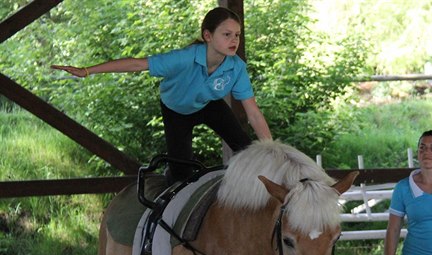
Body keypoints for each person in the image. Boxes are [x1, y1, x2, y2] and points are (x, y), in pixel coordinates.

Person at [51, 7, 272, 184]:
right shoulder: (183, 58)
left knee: (249, 151)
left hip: (208, 105)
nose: (234, 40)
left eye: (237, 35)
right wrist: (88, 70)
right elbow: (137, 64)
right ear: (207, 35)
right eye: (227, 34)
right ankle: (170, 178)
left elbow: (253, 112)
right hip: (176, 110)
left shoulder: (237, 67)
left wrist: (273, 151)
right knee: (181, 175)